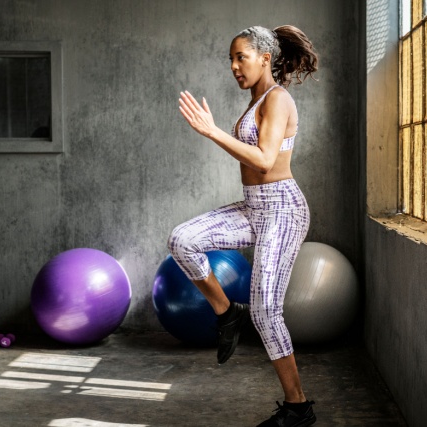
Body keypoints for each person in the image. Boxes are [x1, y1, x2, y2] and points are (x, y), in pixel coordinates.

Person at [170, 25, 319, 426]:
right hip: (254, 207)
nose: (234, 67)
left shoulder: (278, 99)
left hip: (283, 209)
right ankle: (226, 312)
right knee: (182, 240)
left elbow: (265, 160)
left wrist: (212, 130)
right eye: (231, 60)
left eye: (241, 58)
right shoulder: (257, 100)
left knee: (267, 311)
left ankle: (297, 407)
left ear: (265, 58)